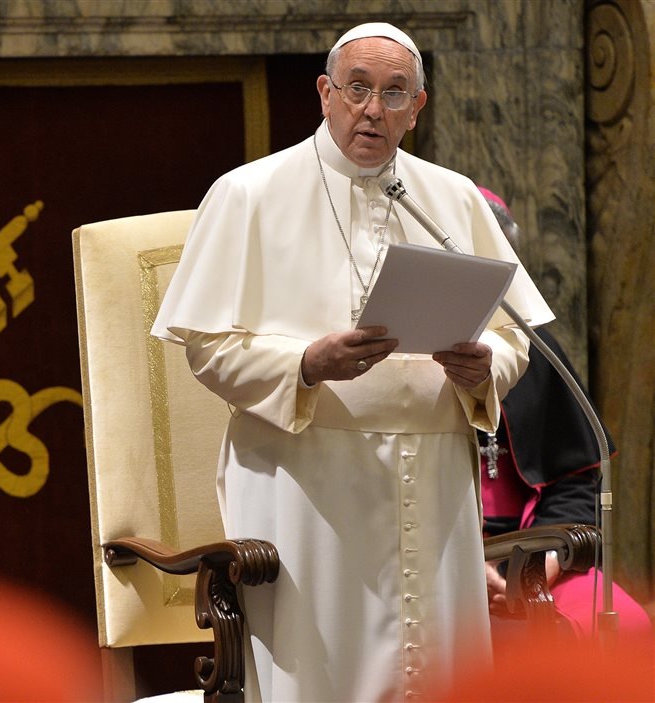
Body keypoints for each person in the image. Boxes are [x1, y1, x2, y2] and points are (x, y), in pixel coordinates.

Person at [151, 23, 555, 701]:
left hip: (432, 478)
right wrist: (306, 362)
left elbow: (515, 337)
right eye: (358, 89)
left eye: (394, 94)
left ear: (418, 107)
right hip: (307, 479)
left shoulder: (453, 199)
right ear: (324, 94)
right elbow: (207, 348)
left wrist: (483, 370)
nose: (374, 109)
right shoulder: (250, 194)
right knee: (321, 670)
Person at [475, 188, 652, 651]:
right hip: (439, 560)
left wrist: (537, 568)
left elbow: (573, 482)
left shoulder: (537, 350)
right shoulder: (403, 350)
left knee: (626, 630)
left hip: (531, 552)